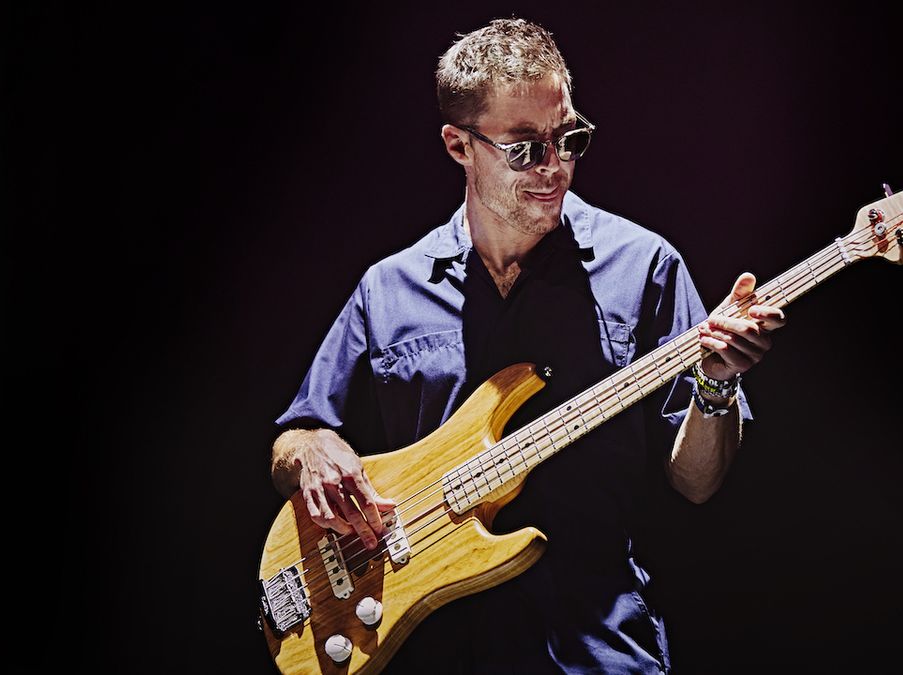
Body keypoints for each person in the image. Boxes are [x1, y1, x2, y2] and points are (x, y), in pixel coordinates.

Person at [269, 18, 786, 673]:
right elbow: (296, 433)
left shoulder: (646, 267)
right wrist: (314, 449)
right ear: (459, 146)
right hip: (427, 648)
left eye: (568, 139)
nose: (555, 167)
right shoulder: (388, 289)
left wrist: (716, 383)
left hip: (598, 651)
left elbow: (698, 482)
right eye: (525, 149)